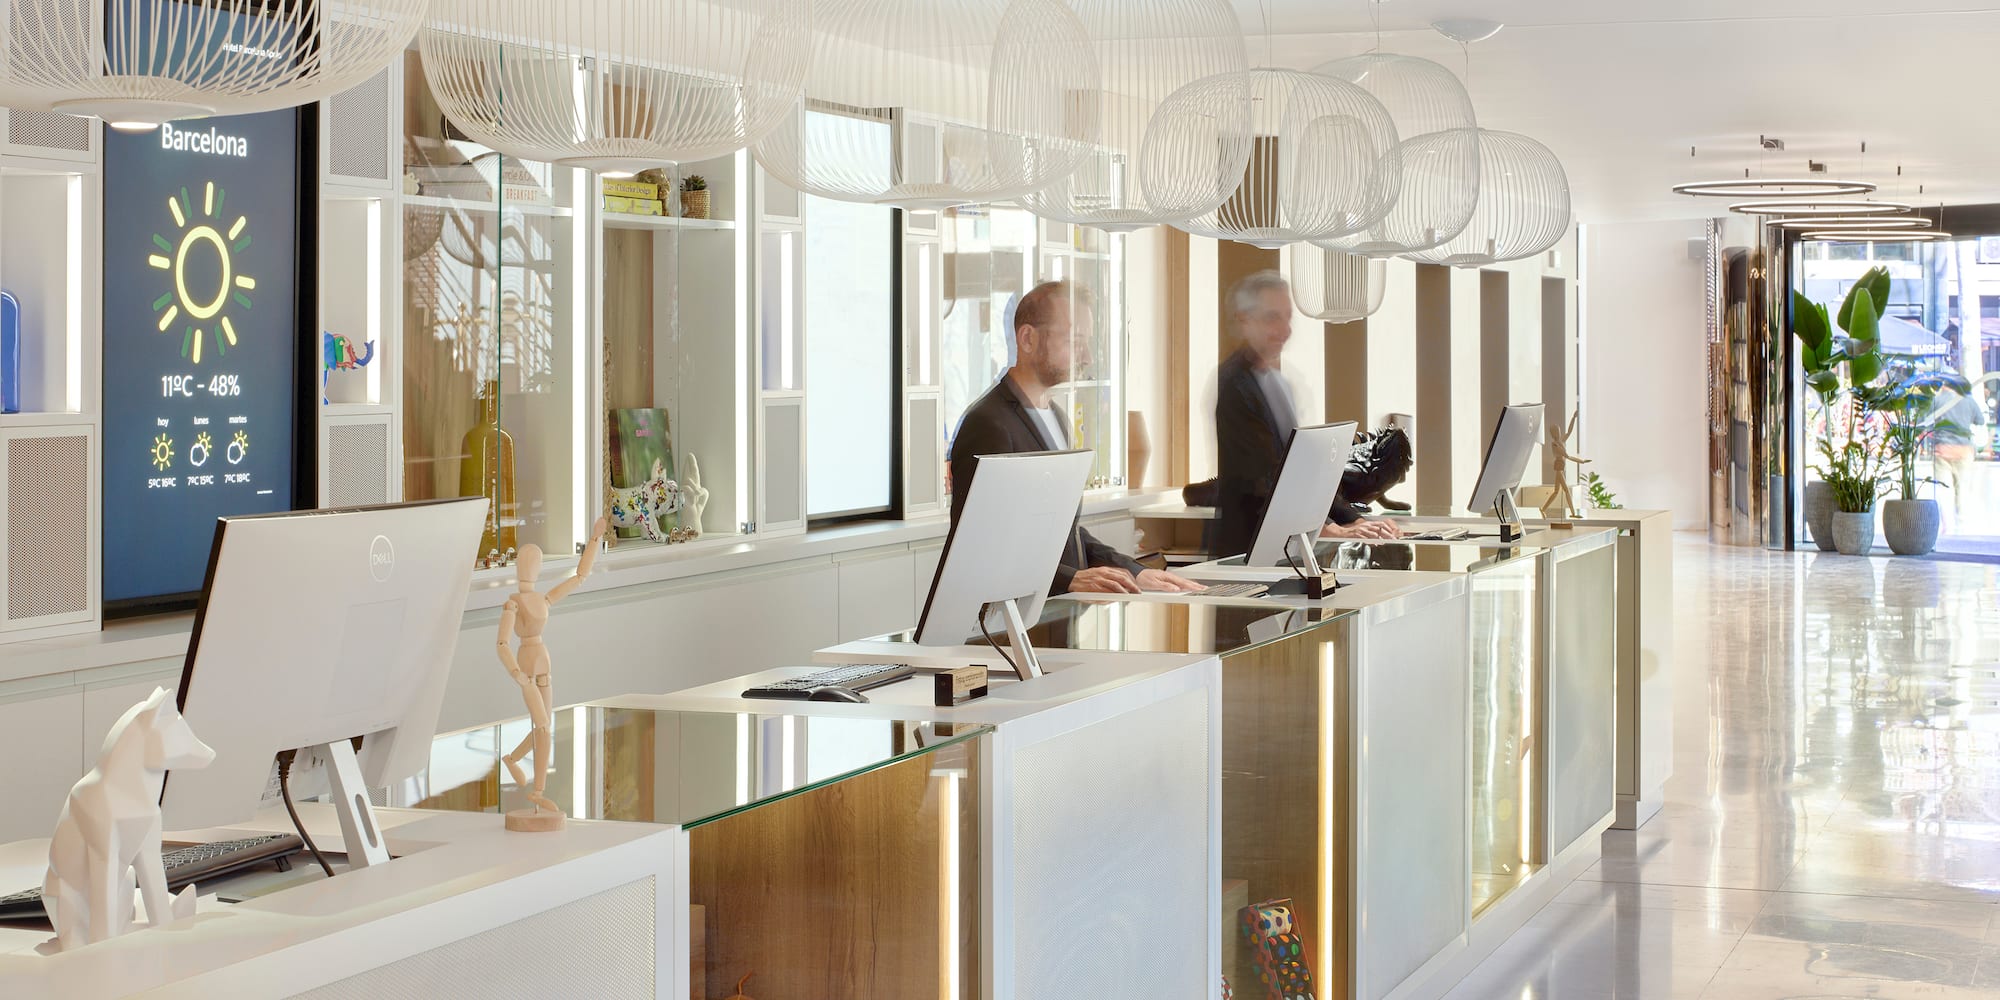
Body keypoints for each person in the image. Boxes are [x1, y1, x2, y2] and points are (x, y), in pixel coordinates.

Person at [949, 281, 1205, 595]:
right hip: (1008, 625)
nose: (1085, 356)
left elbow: (1066, 533)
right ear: (1027, 338)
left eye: (1086, 342)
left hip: (1057, 615)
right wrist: (1067, 579)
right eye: (1074, 340)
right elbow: (980, 544)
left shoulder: (1058, 419)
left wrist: (1135, 571)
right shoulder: (988, 424)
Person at [1208, 270, 1401, 560]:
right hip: (1246, 553)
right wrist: (1328, 529)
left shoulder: (1279, 384)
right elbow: (1264, 479)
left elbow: (1306, 473)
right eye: (1273, 318)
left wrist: (1356, 520)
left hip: (1284, 552)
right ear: (1244, 320)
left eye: (1288, 317)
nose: (1285, 330)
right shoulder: (1234, 384)